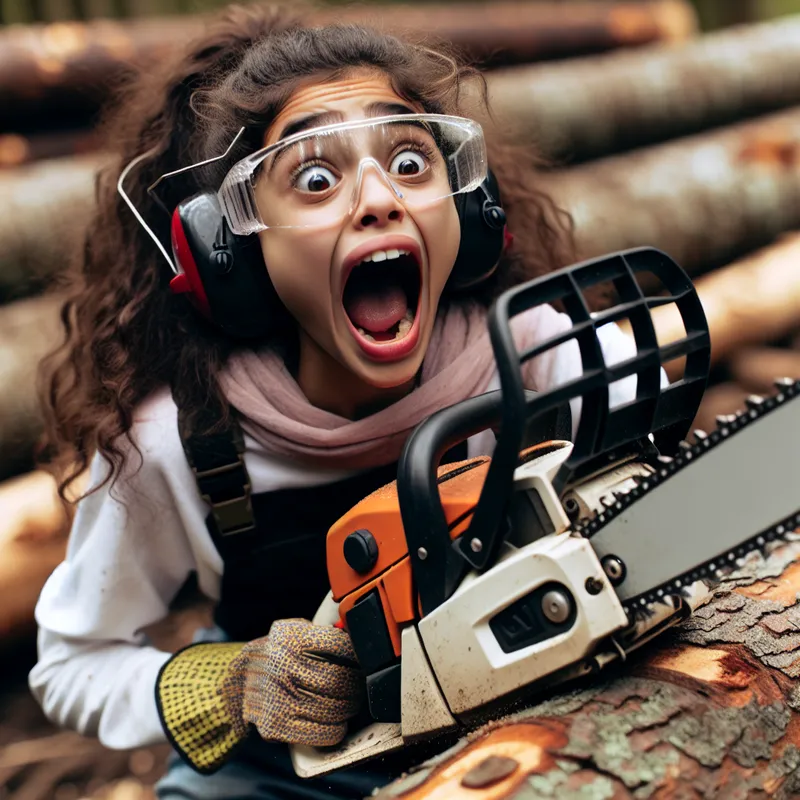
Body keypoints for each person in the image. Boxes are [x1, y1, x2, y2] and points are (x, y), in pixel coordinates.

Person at [28, 5, 641, 799]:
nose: (380, 198)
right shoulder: (181, 441)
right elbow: (74, 663)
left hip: (531, 718)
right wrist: (230, 684)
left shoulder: (549, 353)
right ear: (228, 248)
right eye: (316, 179)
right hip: (289, 773)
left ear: (472, 205)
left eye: (413, 163)